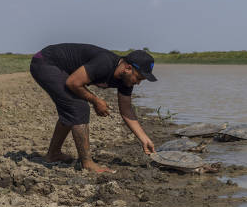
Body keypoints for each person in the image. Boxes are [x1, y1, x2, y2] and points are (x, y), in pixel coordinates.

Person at [30, 43, 157, 173]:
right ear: (128, 68)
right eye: (139, 78)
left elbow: (126, 110)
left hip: (60, 69)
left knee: (71, 109)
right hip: (45, 62)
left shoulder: (126, 80)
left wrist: (144, 139)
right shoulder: (105, 63)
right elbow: (73, 82)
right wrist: (96, 101)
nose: (138, 83)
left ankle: (53, 154)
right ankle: (87, 163)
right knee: (79, 107)